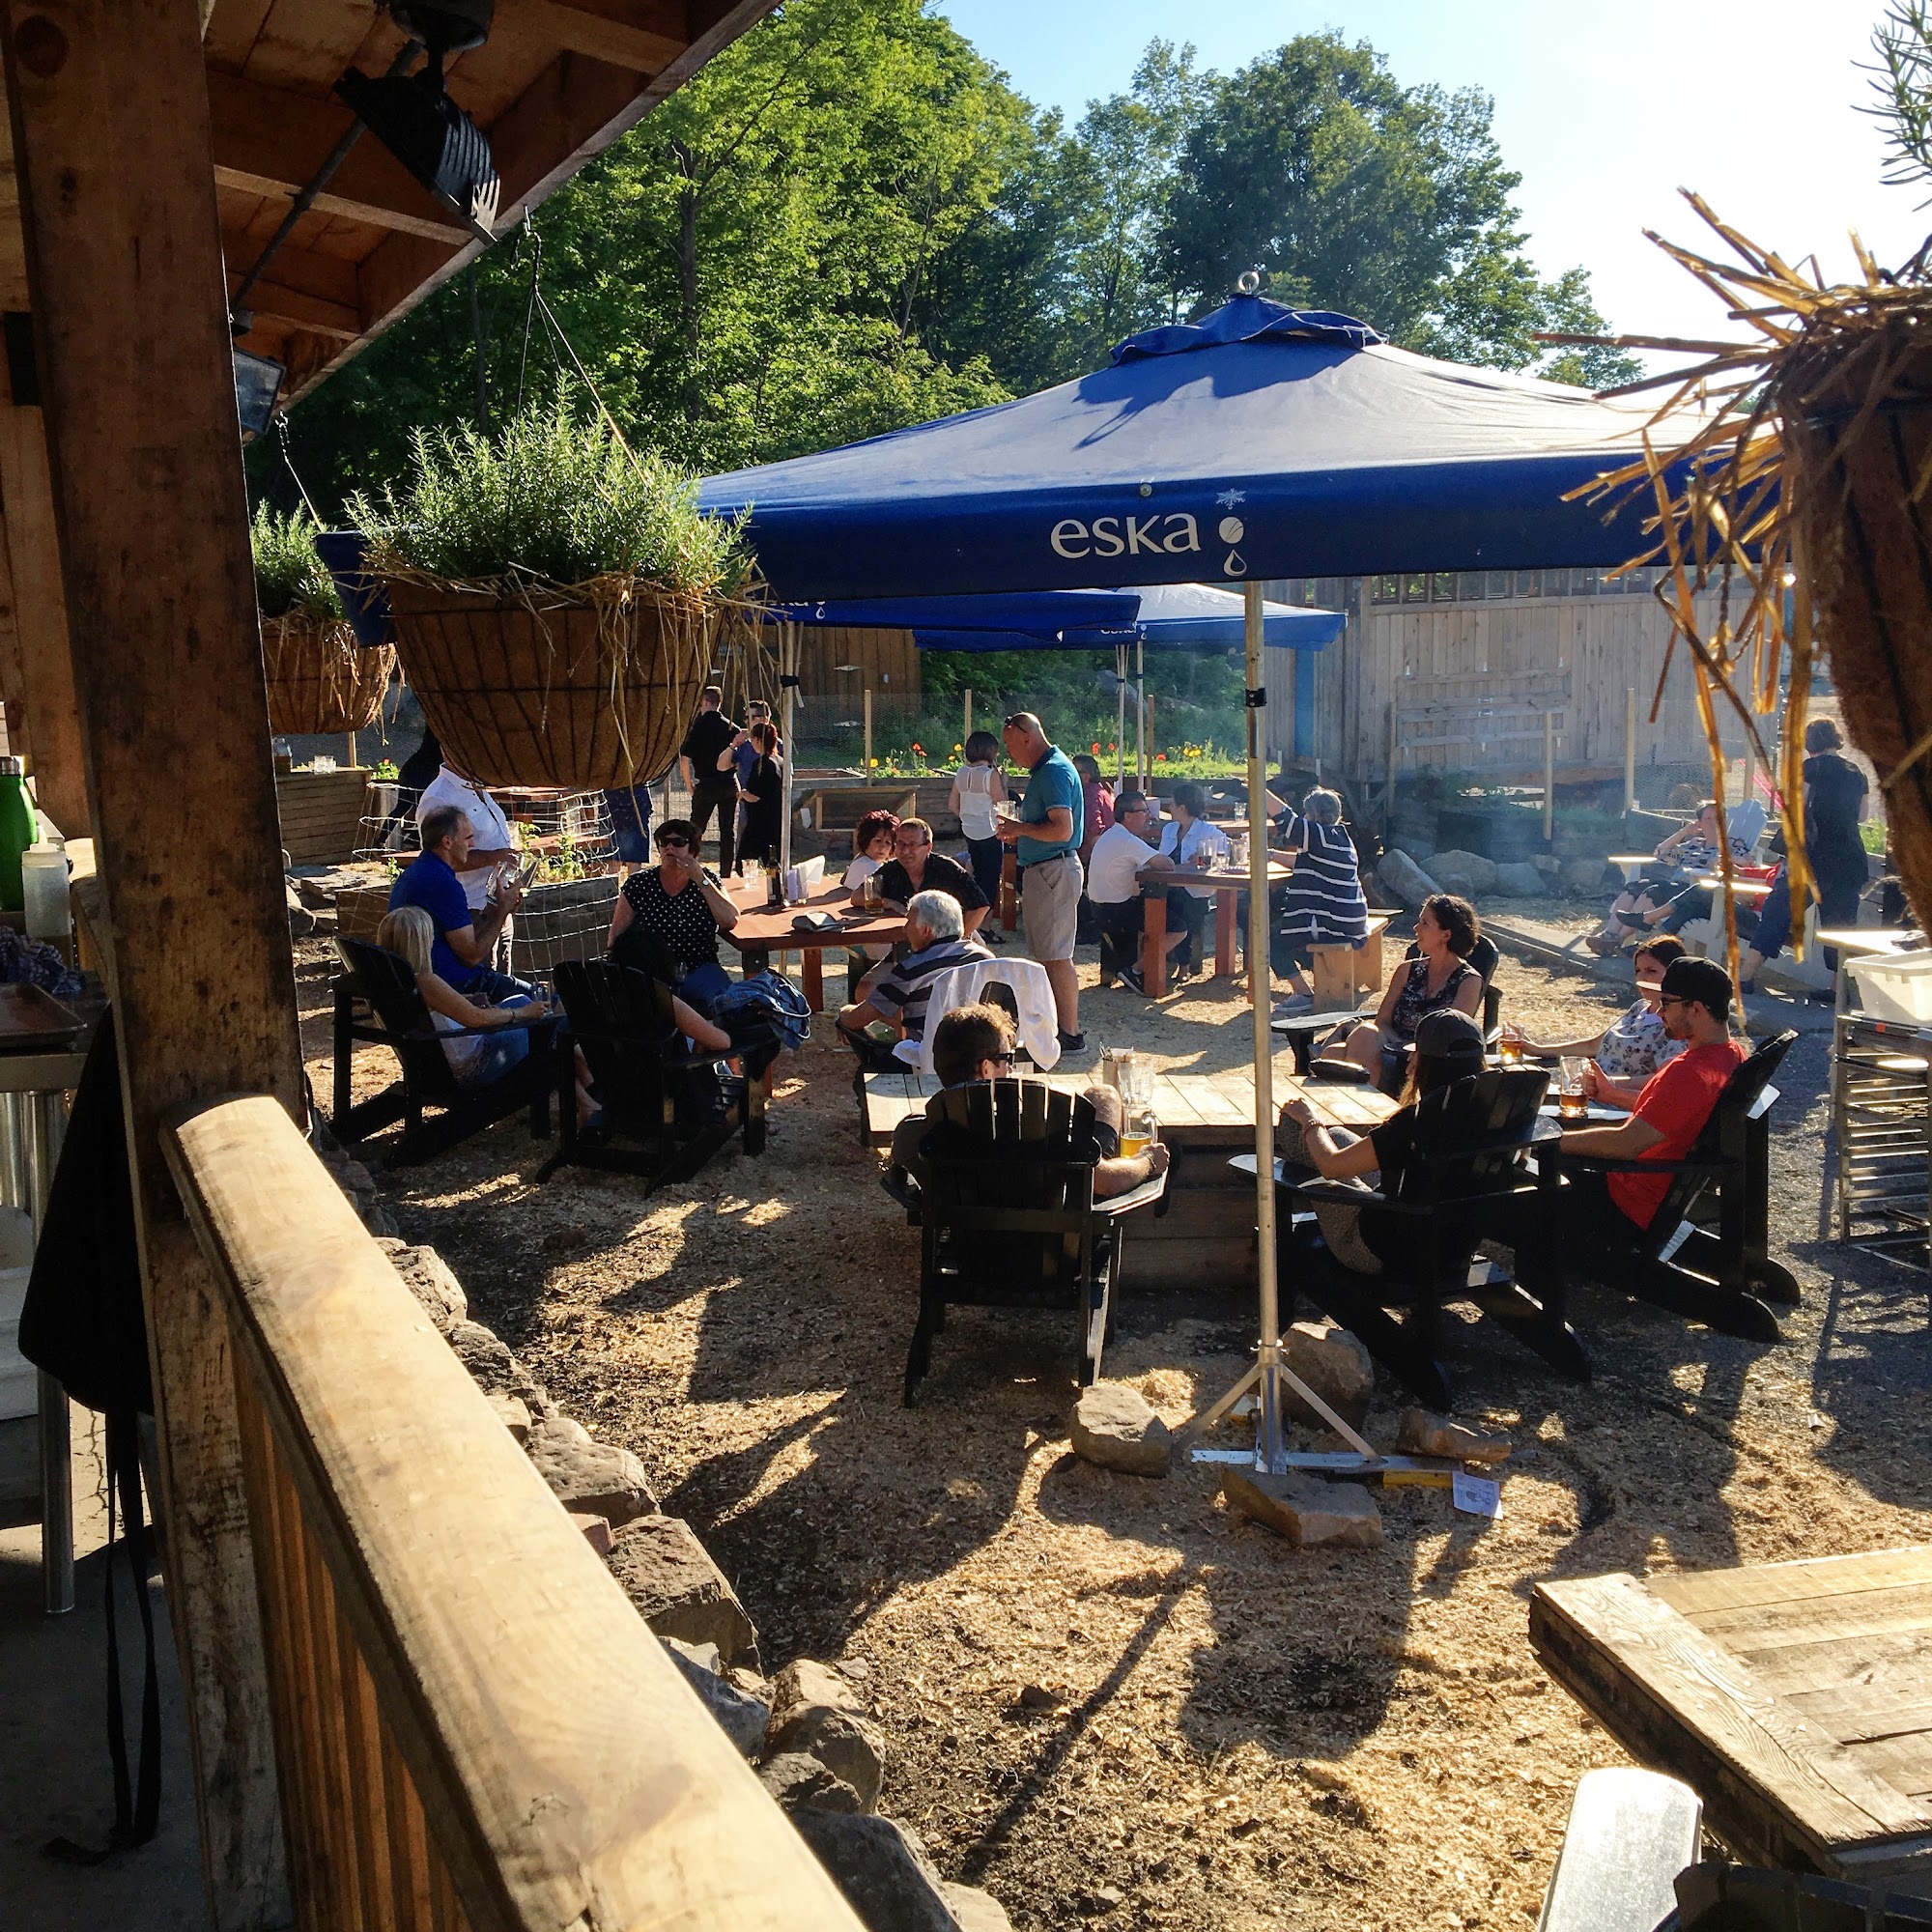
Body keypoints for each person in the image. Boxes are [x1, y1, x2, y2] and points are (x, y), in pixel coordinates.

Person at [1282, 1008, 1490, 1277]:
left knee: (1295, 1129)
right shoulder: (1494, 1115)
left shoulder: (1417, 1122)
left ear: (1424, 1063)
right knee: (1339, 1137)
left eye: (1415, 1053)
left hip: (1383, 1249)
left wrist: (1310, 1120)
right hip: (1455, 1245)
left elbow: (1331, 1165)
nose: (1409, 1058)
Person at [888, 1002, 1171, 1198]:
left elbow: (902, 1181)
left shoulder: (913, 1135)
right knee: (1103, 1106)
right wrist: (1146, 1160)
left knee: (1103, 1096)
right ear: (986, 1068)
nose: (1011, 1069)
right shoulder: (1040, 1128)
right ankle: (1093, 1158)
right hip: (1051, 1261)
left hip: (970, 1259)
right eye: (1007, 1059)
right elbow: (1107, 1183)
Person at [1559, 954, 1747, 1243]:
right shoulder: (1730, 1055)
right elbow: (1673, 1115)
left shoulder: (1690, 1073)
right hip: (1661, 1196)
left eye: (1667, 1003)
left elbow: (1626, 1144)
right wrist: (1613, 1095)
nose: (1659, 1013)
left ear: (1695, 1009)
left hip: (1630, 1204)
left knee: (1526, 1175)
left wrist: (1548, 1140)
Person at [375, 905, 611, 1124]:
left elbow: (442, 1008)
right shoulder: (425, 980)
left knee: (524, 1002)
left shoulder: (392, 979)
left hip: (435, 1060)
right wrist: (519, 1014)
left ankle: (585, 1074)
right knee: (545, 1026)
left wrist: (466, 1002)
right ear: (421, 942)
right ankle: (587, 1097)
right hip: (473, 1065)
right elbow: (476, 1019)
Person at [1503, 935, 1688, 1109]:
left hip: (1617, 1102)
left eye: (1651, 971)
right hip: (1590, 1092)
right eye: (1638, 971)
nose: (1642, 978)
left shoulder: (1677, 1023)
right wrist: (1538, 1049)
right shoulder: (1639, 1007)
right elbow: (1594, 1044)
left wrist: (1608, 1084)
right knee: (1514, 1097)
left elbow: (1663, 1079)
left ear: (1672, 974)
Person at [1323, 893, 1484, 1090]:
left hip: (1430, 1058)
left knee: (1335, 1055)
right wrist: (1401, 1046)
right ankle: (1367, 1109)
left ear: (1446, 934)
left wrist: (1421, 1050)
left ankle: (1366, 1110)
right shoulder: (1407, 970)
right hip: (1392, 1047)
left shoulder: (1468, 981)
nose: (1416, 928)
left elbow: (1453, 1035)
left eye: (1425, 923)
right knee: (1359, 1036)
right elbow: (1382, 1022)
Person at [995, 713, 1086, 1051]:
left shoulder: (1052, 772)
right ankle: (1059, 1028)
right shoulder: (1048, 769)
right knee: (1049, 953)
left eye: (1008, 743)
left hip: (1053, 870)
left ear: (1025, 736)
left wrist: (1019, 829)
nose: (1008, 752)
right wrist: (1024, 833)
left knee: (1057, 955)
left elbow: (1063, 830)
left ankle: (1071, 1034)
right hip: (1047, 869)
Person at [388, 804, 530, 1001]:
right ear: (447, 842)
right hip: (452, 986)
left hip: (421, 981)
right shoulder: (443, 884)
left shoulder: (416, 873)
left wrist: (492, 912)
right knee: (542, 999)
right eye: (468, 838)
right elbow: (471, 956)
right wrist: (502, 912)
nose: (472, 844)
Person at [838, 889, 991, 1065]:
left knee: (849, 1025)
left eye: (909, 922)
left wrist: (842, 1015)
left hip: (930, 1058)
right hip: (981, 1056)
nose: (905, 929)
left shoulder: (912, 968)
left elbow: (858, 1018)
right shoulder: (985, 958)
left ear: (925, 930)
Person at [606, 818, 741, 1007]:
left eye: (678, 843)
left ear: (692, 850)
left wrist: (700, 880)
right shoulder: (639, 884)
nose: (670, 848)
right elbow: (615, 938)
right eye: (664, 843)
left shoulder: (706, 880)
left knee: (728, 1007)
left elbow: (730, 920)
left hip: (699, 966)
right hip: (652, 970)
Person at [1588, 801, 1750, 953]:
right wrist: (1684, 832)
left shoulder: (1734, 845)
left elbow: (1747, 863)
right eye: (1707, 818)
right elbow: (1660, 853)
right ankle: (1609, 935)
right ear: (1699, 824)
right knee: (1634, 887)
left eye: (1718, 818)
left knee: (1652, 892)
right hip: (1673, 887)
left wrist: (1725, 859)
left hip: (1696, 894)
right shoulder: (1694, 844)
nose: (1713, 822)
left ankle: (1616, 940)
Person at [1271, 786, 1368, 1012]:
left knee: (1271, 938)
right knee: (1290, 930)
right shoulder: (1338, 837)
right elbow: (1303, 862)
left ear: (1314, 816)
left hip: (1334, 923)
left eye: (1306, 813)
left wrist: (1258, 789)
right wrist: (1272, 855)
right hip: (1349, 918)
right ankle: (1329, 977)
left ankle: (1303, 993)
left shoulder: (1318, 835)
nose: (1304, 817)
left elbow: (1285, 819)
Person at [415, 760, 521, 954]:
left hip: (497, 905)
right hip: (472, 910)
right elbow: (439, 859)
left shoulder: (475, 785)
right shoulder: (438, 797)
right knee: (479, 976)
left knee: (502, 977)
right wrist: (495, 857)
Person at [1086, 791, 1180, 994]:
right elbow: (1166, 864)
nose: (1149, 816)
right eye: (1143, 811)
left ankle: (1122, 969)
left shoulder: (1113, 834)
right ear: (1128, 815)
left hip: (1100, 907)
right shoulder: (1126, 840)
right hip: (1117, 909)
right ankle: (1136, 971)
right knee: (1178, 926)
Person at [1802, 718, 1870, 952]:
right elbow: (1862, 816)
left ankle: (1749, 968)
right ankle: (1836, 987)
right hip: (1851, 855)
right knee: (1841, 925)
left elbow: (1799, 808)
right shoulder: (1856, 771)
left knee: (1779, 912)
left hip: (1818, 854)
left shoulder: (1811, 768)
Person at [858, 816, 988, 936]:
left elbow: (981, 906)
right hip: (908, 940)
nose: (905, 851)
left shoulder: (947, 869)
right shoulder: (891, 869)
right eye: (901, 844)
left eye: (912, 845)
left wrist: (957, 940)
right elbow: (857, 896)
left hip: (948, 937)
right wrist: (889, 903)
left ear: (928, 847)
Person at [1154, 781, 1232, 976]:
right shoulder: (1169, 830)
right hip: (1169, 885)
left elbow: (1223, 858)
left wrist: (1198, 861)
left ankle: (1183, 964)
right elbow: (1162, 858)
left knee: (1181, 905)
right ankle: (1174, 963)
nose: (1169, 808)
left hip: (1194, 889)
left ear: (1182, 807)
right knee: (1157, 900)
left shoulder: (1210, 833)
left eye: (1172, 804)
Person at [678, 684, 741, 875]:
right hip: (727, 783)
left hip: (706, 784)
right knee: (727, 831)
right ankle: (725, 874)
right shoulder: (732, 727)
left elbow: (684, 759)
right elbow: (738, 759)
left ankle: (690, 868)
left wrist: (689, 785)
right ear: (719, 703)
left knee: (695, 829)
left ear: (706, 702)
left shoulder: (696, 727)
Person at [949, 730, 1009, 913]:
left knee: (977, 873)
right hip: (989, 832)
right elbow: (1003, 805)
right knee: (989, 880)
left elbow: (952, 805)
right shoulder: (989, 775)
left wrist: (968, 817)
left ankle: (974, 916)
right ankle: (985, 925)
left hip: (969, 831)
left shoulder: (961, 772)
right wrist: (1004, 783)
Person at [720, 697, 784, 858]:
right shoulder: (744, 745)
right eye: (745, 717)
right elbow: (721, 766)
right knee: (745, 855)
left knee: (768, 856)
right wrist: (733, 744)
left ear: (763, 719)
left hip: (769, 809)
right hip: (747, 810)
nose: (745, 721)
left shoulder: (779, 747)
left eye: (750, 717)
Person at [733, 721, 785, 868]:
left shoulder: (762, 764)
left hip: (759, 823)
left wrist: (743, 794)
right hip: (775, 820)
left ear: (758, 740)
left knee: (743, 864)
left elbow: (757, 796)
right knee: (773, 864)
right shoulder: (780, 761)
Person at [604, 782, 654, 871]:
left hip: (634, 803)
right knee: (614, 861)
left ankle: (632, 883)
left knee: (631, 861)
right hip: (616, 802)